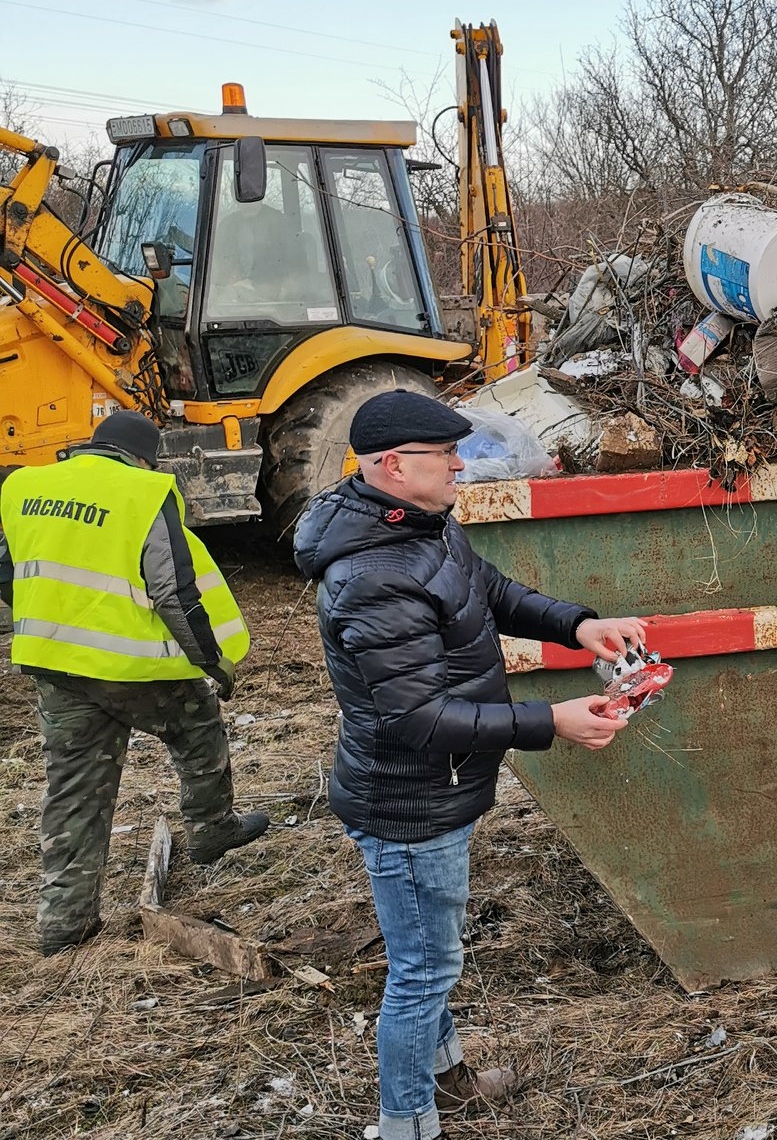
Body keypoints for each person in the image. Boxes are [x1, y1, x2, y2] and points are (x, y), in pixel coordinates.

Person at [292, 390, 644, 1140]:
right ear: (393, 466)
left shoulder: (424, 529)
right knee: (420, 975)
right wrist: (550, 721)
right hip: (409, 803)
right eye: (444, 454)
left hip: (436, 790)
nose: (461, 463)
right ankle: (408, 1125)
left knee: (430, 957)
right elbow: (416, 718)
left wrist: (580, 624)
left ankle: (447, 1082)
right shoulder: (372, 575)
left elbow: (491, 595)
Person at [0, 410, 268, 956]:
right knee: (199, 730)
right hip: (130, 670)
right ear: (144, 457)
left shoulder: (25, 485)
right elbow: (174, 589)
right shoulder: (144, 491)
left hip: (55, 667)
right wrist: (212, 663)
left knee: (74, 790)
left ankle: (64, 922)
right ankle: (211, 828)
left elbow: (7, 569)